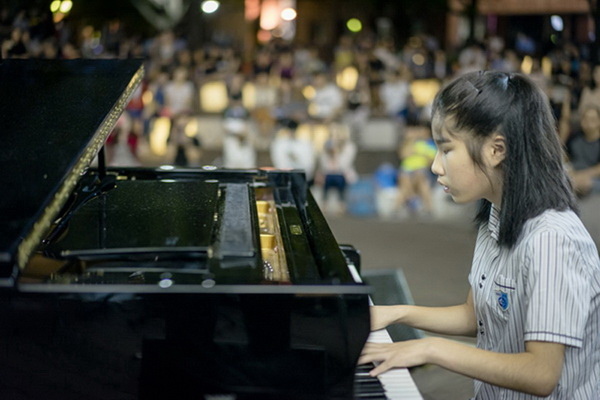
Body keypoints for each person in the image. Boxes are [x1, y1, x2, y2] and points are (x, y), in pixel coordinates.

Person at [360, 71, 600, 399]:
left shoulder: (551, 239)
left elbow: (542, 374)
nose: (435, 166)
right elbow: (476, 316)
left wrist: (430, 349)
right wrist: (396, 313)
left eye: (446, 150)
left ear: (496, 150)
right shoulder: (496, 213)